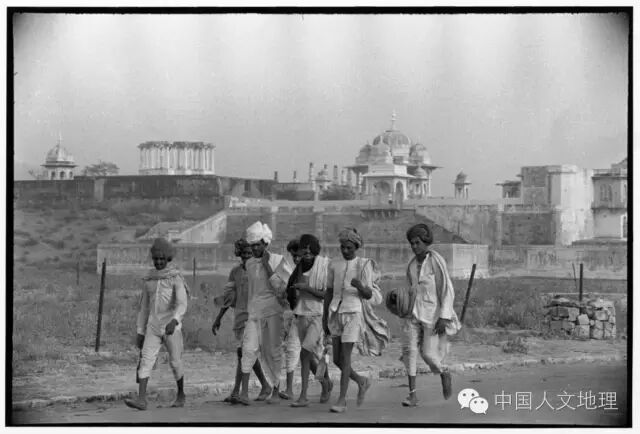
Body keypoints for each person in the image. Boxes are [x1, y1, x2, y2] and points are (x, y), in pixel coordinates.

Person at [322, 228, 384, 413]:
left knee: (346, 358)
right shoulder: (334, 264)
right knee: (337, 359)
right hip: (336, 312)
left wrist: (360, 286)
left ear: (356, 247)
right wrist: (325, 317)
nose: (345, 250)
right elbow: (329, 292)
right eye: (342, 247)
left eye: (349, 247)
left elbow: (369, 295)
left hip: (353, 312)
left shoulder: (363, 265)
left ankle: (342, 400)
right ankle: (361, 380)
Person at [400, 223, 461, 407]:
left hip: (432, 315)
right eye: (412, 243)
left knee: (427, 354)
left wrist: (444, 316)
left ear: (426, 242)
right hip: (413, 314)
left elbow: (447, 289)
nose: (414, 246)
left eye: (417, 242)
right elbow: (409, 289)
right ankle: (412, 395)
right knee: (409, 352)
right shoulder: (411, 265)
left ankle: (444, 373)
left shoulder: (436, 261)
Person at [125, 237, 188, 411]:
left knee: (175, 362)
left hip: (171, 327)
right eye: (156, 259)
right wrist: (140, 331)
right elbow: (144, 307)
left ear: (168, 258)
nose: (159, 262)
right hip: (153, 326)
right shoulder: (149, 279)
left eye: (162, 258)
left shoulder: (175, 277)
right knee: (146, 360)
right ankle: (141, 400)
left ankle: (181, 394)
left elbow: (182, 304)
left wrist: (174, 320)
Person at [238, 221, 292, 405]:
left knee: (273, 352)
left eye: (258, 245)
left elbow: (282, 288)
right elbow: (252, 291)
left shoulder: (278, 260)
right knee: (248, 349)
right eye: (252, 245)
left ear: (265, 243)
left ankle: (276, 390)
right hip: (254, 313)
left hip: (273, 312)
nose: (254, 248)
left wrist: (267, 265)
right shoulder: (249, 264)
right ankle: (244, 393)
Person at [211, 239, 271, 403]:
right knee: (245, 354)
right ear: (239, 254)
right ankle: (260, 386)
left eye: (249, 254)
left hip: (255, 318)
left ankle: (240, 392)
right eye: (243, 254)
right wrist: (218, 318)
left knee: (244, 352)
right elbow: (229, 297)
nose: (246, 257)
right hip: (240, 317)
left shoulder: (260, 271)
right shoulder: (235, 272)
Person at [287, 234, 333, 407]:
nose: (306, 252)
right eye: (304, 250)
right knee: (311, 356)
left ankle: (303, 396)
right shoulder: (299, 267)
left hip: (318, 315)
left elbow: (326, 294)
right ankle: (325, 383)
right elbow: (290, 287)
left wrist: (307, 288)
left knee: (305, 353)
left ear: (315, 250)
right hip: (301, 314)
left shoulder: (324, 266)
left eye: (309, 249)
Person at [280, 239, 302, 400]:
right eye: (293, 256)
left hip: (312, 316)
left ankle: (325, 382)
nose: (296, 259)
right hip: (297, 316)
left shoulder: (310, 272)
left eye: (298, 255)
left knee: (313, 354)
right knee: (292, 349)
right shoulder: (295, 272)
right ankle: (289, 389)